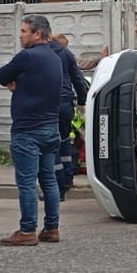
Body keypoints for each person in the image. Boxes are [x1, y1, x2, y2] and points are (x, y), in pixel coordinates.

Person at [0, 14, 63, 246]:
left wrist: (14, 83)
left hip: (28, 129)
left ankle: (27, 231)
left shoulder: (27, 56)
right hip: (51, 127)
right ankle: (52, 228)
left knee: (26, 182)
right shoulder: (55, 58)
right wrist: (20, 83)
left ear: (37, 33)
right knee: (49, 180)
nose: (21, 35)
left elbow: (1, 75)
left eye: (24, 31)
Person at [49, 33, 89, 198]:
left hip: (49, 104)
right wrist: (81, 101)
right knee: (65, 140)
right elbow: (78, 79)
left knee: (52, 145)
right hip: (66, 102)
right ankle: (68, 178)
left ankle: (58, 188)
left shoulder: (41, 52)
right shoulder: (67, 54)